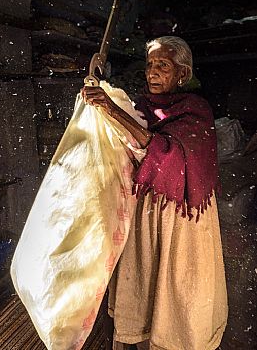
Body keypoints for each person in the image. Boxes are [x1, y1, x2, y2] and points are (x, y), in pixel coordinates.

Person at [82, 36, 228, 350]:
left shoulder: (195, 111)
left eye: (162, 65)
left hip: (182, 214)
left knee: (180, 284)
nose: (153, 72)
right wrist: (100, 82)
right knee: (145, 277)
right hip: (148, 205)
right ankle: (144, 334)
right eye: (150, 65)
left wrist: (111, 110)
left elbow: (168, 154)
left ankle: (179, 339)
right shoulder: (142, 106)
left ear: (182, 74)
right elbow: (126, 132)